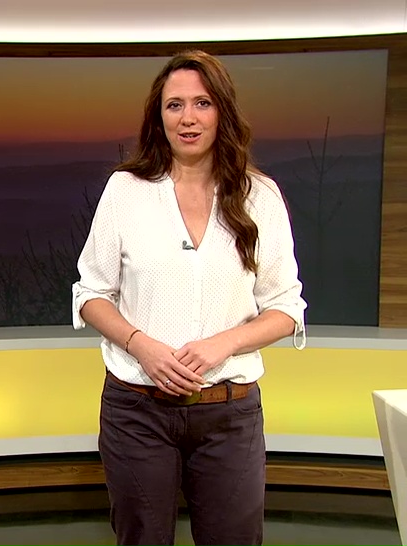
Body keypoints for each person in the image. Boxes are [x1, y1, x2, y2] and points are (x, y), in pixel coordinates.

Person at [71, 50, 307, 546]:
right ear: (158, 117)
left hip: (230, 414)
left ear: (222, 111)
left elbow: (286, 308)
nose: (188, 118)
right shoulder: (126, 190)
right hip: (137, 409)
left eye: (202, 103)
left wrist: (224, 343)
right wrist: (141, 345)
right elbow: (91, 293)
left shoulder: (260, 196)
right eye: (174, 105)